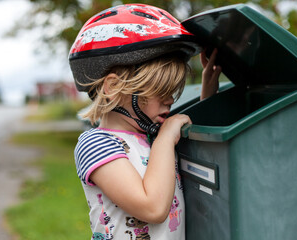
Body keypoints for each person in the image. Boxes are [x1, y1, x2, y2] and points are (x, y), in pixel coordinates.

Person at [69, 4, 221, 239]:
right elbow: (152, 207)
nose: (170, 100)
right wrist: (166, 138)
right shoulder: (95, 144)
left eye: (172, 90)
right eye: (161, 90)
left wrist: (208, 91)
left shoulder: (152, 134)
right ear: (114, 87)